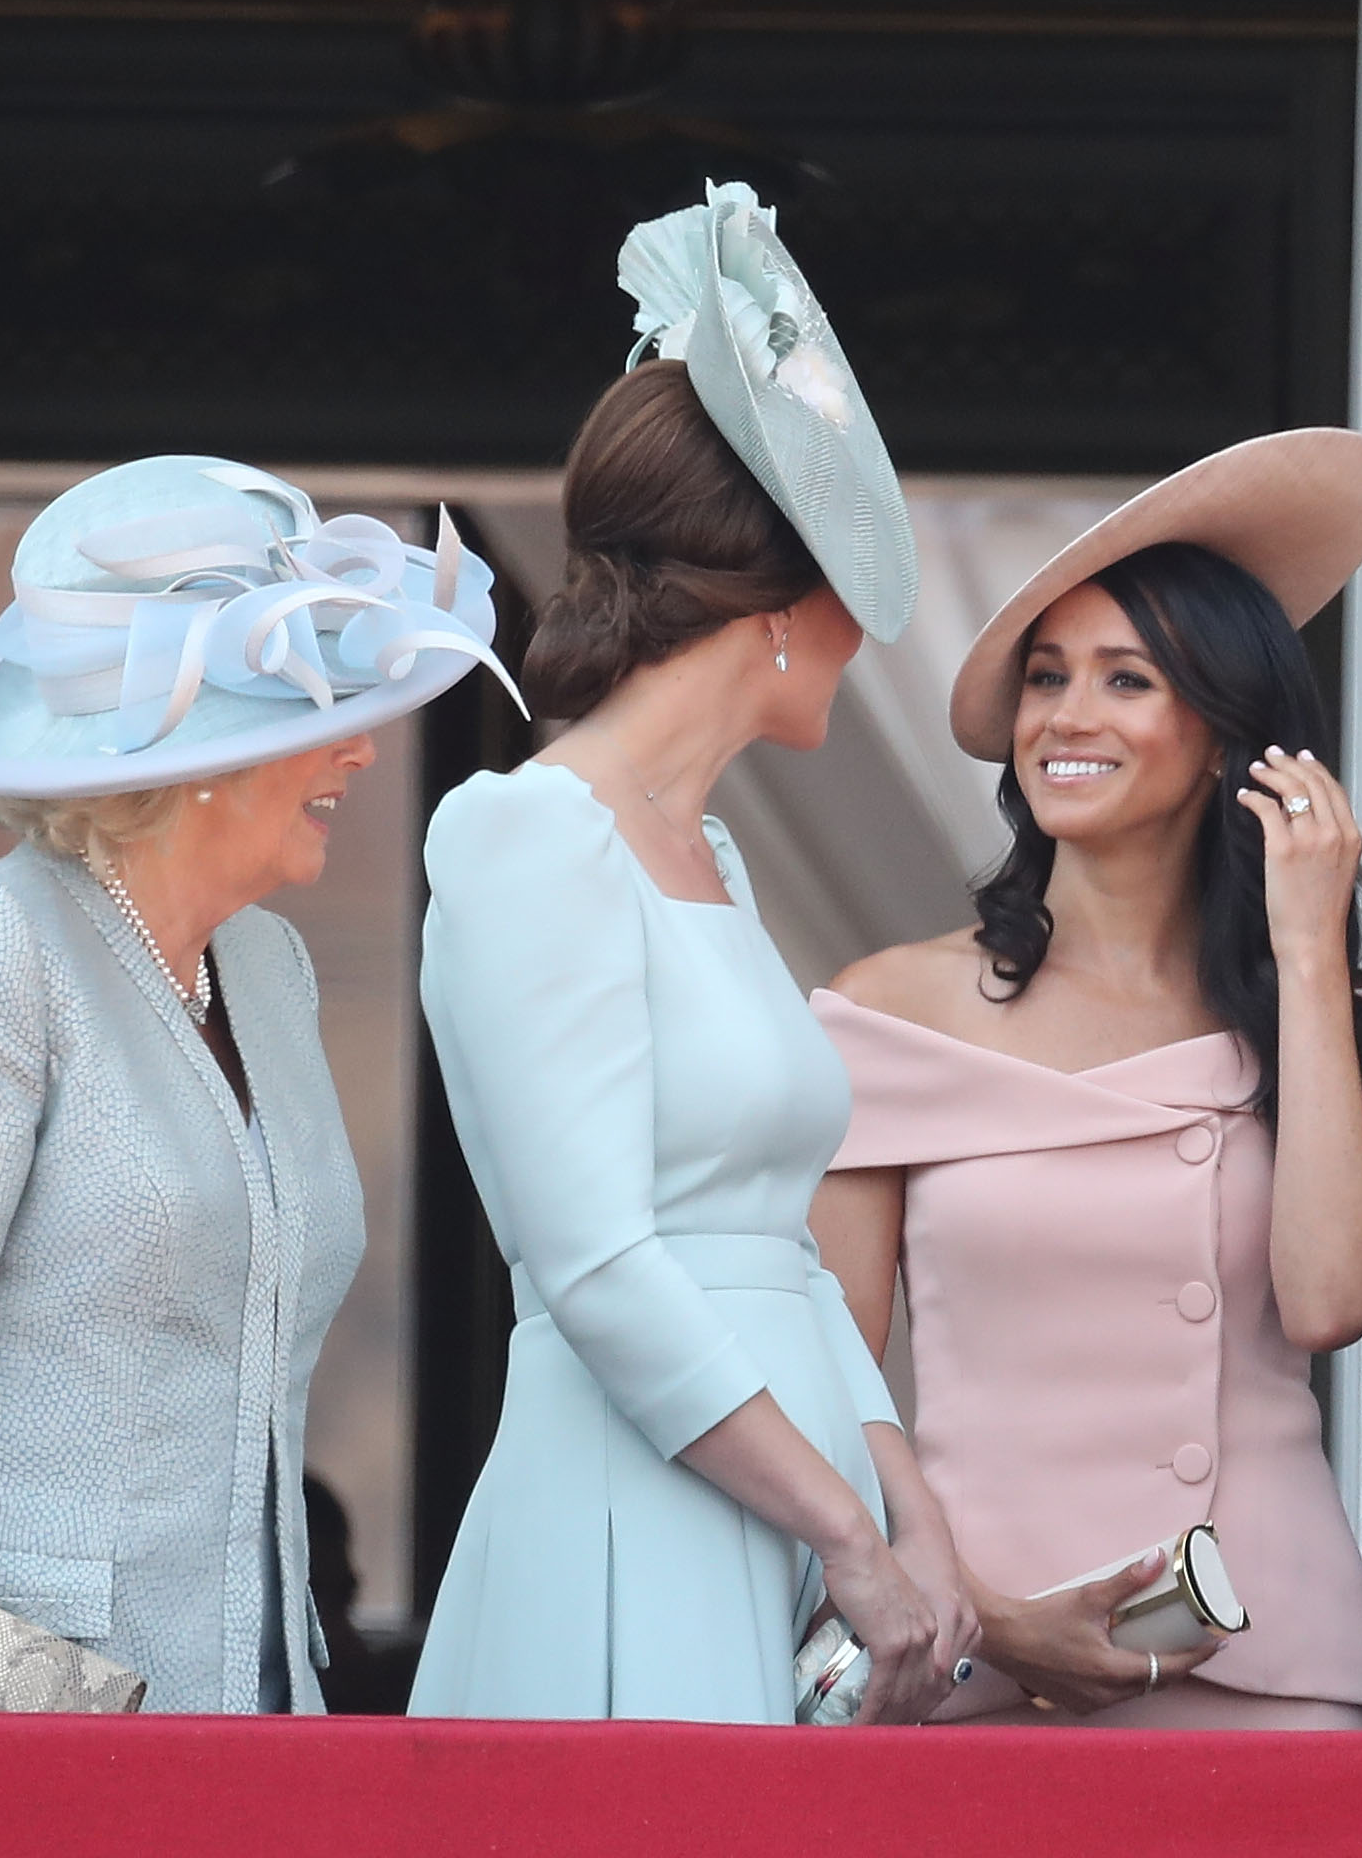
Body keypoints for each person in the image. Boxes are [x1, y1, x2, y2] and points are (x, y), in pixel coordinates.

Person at [0, 453, 512, 1714]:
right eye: (314, 721)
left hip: (249, 1694)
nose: (362, 756)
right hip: (9, 1709)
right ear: (195, 756)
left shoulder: (269, 971)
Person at [412, 186, 971, 1724]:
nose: (865, 641)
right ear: (780, 607)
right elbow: (594, 1258)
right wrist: (847, 1527)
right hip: (629, 1501)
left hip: (783, 1499)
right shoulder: (523, 833)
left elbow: (781, 1251)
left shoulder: (709, 850)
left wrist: (902, 1495)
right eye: (848, 592)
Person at [811, 429, 1362, 1728]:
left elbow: (1328, 1299)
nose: (1066, 718)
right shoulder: (888, 1009)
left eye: (1125, 678)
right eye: (1045, 677)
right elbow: (828, 1382)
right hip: (966, 1661)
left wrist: (1309, 953)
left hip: (1266, 1672)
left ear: (1221, 739)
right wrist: (984, 1612)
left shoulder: (1341, 1018)